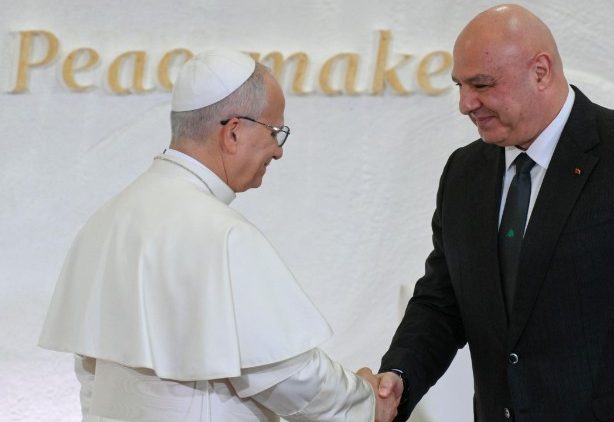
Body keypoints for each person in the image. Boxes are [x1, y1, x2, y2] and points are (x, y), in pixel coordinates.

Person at [372, 4, 614, 421]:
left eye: (481, 84)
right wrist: (399, 376)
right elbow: (442, 302)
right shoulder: (463, 172)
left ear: (540, 71)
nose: (465, 103)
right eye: (460, 85)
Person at [39, 50, 398, 422]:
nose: (278, 151)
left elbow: (92, 376)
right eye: (275, 132)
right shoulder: (221, 234)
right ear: (233, 131)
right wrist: (366, 402)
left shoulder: (105, 221)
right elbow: (286, 376)